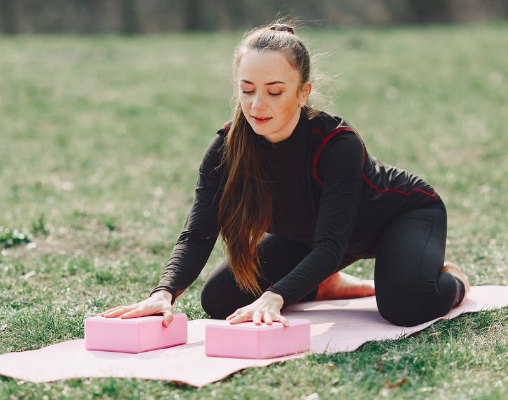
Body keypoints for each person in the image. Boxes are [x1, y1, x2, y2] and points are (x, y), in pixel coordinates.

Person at [101, 22, 470, 328]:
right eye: (247, 90)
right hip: (312, 235)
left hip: (400, 216)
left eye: (274, 92)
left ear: (302, 93)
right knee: (221, 299)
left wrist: (276, 296)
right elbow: (198, 231)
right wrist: (162, 294)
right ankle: (327, 285)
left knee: (404, 307)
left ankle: (455, 279)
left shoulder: (338, 143)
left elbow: (330, 246)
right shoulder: (227, 147)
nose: (257, 105)